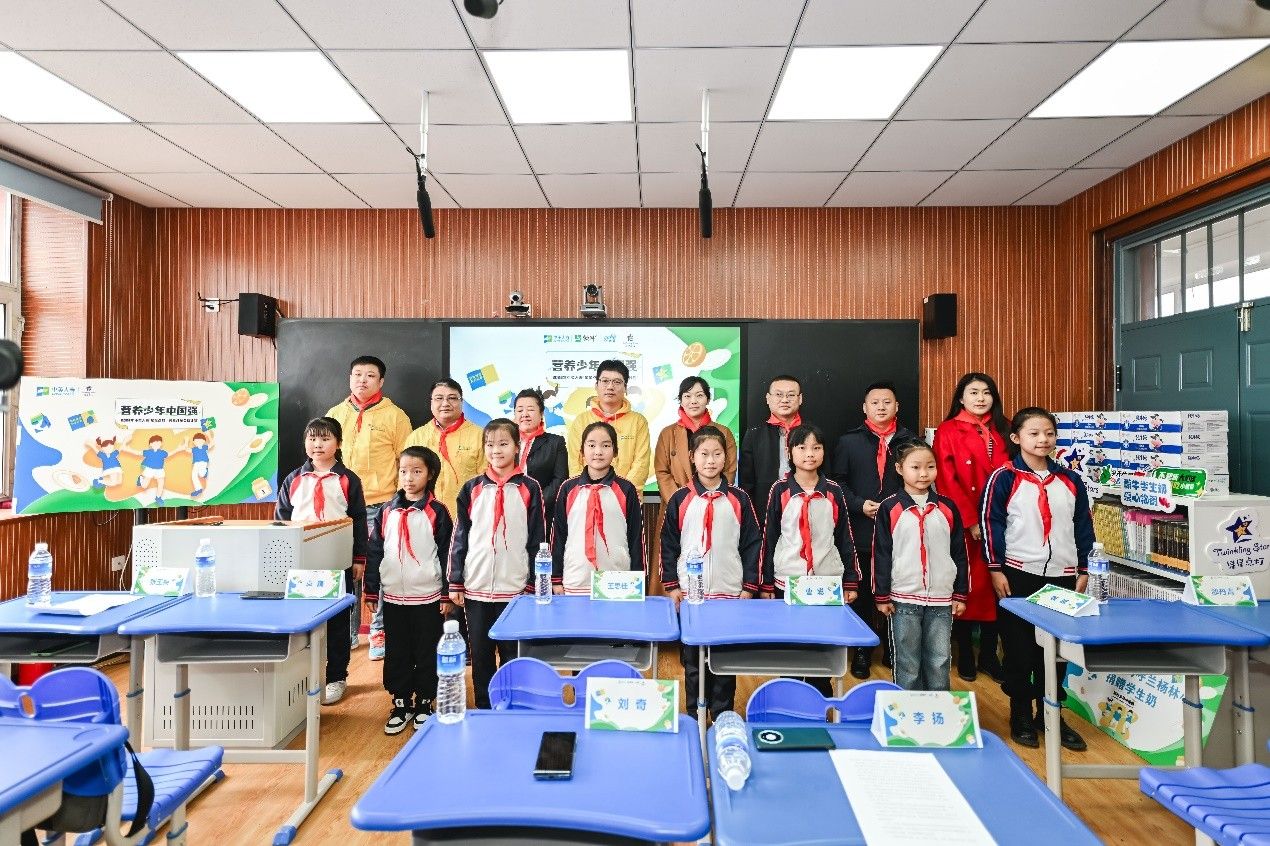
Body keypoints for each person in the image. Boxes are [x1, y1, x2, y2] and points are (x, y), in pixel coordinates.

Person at [984, 408, 1093, 752]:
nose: (1043, 440)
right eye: (1034, 433)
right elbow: (992, 523)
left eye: (1049, 433)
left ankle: (1051, 715)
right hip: (1018, 572)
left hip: (1062, 575)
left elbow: (1083, 526)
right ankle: (1020, 713)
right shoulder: (1004, 477)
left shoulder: (1071, 480)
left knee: (1057, 650)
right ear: (1016, 438)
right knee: (1019, 650)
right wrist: (995, 568)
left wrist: (1084, 568)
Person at [661, 425, 761, 720]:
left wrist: (749, 586)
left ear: (725, 458)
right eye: (704, 454)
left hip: (729, 591)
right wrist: (672, 585)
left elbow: (752, 543)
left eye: (717, 454)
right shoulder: (680, 498)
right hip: (691, 593)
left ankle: (722, 714)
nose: (711, 460)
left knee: (723, 660)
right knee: (693, 660)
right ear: (692, 457)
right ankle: (695, 712)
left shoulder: (739, 499)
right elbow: (668, 544)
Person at [447, 419, 545, 709]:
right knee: (480, 653)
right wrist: (456, 580)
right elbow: (460, 537)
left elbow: (537, 538)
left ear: (517, 447)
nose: (496, 450)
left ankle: (513, 705)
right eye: (490, 445)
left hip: (515, 588)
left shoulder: (530, 488)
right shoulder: (472, 488)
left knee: (513, 653)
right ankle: (485, 706)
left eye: (503, 444)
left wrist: (533, 583)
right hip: (476, 586)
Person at [759, 423, 859, 694]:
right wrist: (766, 583)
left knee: (821, 644)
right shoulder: (780, 490)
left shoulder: (834, 491)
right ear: (790, 452)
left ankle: (820, 697)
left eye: (816, 447)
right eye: (802, 448)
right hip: (788, 579)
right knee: (790, 644)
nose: (809, 454)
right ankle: (789, 694)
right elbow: (769, 537)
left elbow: (845, 538)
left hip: (826, 582)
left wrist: (850, 581)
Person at [326, 355, 413, 662]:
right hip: (341, 508)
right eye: (357, 374)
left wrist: (399, 503)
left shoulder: (395, 416)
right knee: (346, 570)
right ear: (350, 378)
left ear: (381, 381)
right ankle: (348, 634)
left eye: (370, 375)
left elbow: (407, 463)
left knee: (379, 570)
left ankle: (379, 630)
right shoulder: (335, 414)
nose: (362, 380)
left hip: (381, 504)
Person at [276, 416, 367, 706]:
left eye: (325, 439)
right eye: (312, 438)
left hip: (336, 562)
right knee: (301, 619)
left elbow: (359, 520)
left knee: (338, 623)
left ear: (338, 444)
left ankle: (336, 677)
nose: (318, 444)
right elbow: (281, 521)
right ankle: (302, 677)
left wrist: (358, 558)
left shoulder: (348, 479)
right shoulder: (293, 479)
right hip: (301, 565)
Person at [364, 446, 453, 734]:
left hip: (427, 597)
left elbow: (447, 554)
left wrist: (446, 593)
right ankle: (401, 702)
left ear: (430, 474)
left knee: (426, 650)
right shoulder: (386, 511)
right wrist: (371, 590)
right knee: (398, 651)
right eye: (403, 471)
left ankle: (425, 701)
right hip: (393, 597)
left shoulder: (437, 512)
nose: (409, 478)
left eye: (416, 471)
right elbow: (375, 551)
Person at [831, 381, 915, 678]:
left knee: (898, 587)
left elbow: (918, 481)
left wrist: (896, 507)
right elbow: (837, 482)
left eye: (887, 402)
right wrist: (857, 504)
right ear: (865, 407)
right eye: (875, 402)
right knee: (864, 593)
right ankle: (862, 651)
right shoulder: (849, 441)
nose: (881, 407)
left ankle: (893, 648)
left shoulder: (910, 441)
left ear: (897, 406)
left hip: (900, 528)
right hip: (861, 527)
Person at [871, 440, 968, 691]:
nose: (923, 473)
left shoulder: (947, 508)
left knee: (939, 660)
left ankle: (938, 709)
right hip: (903, 598)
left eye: (930, 466)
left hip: (941, 598)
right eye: (915, 467)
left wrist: (960, 593)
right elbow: (881, 554)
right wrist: (882, 595)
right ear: (899, 469)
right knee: (907, 662)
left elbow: (959, 553)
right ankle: (909, 710)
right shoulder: (890, 508)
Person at [932, 372, 1009, 683]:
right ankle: (965, 652)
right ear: (961, 398)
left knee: (997, 588)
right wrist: (971, 520)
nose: (980, 398)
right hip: (966, 523)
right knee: (965, 586)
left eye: (986, 392)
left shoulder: (1004, 428)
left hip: (1003, 520)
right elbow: (946, 478)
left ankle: (989, 655)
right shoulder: (948, 430)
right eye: (973, 392)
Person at [551, 421, 643, 595]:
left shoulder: (626, 489)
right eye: (591, 445)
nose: (598, 452)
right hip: (575, 580)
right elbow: (558, 536)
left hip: (617, 583)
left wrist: (638, 581)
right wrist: (555, 578)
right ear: (582, 451)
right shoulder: (568, 489)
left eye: (606, 445)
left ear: (615, 451)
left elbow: (636, 538)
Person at [565, 360, 652, 498]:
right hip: (586, 495)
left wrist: (624, 492)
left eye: (617, 382)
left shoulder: (638, 421)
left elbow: (641, 462)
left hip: (626, 496)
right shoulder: (581, 420)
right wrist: (586, 491)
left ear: (625, 387)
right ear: (596, 385)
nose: (610, 387)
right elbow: (574, 461)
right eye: (605, 381)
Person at [654, 376, 737, 502]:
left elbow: (729, 470)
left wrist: (713, 499)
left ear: (708, 399)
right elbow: (662, 472)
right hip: (678, 505)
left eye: (699, 395)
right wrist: (679, 502)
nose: (693, 401)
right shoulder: (667, 433)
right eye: (687, 396)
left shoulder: (724, 432)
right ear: (681, 400)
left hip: (714, 503)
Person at [739, 374, 803, 513]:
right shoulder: (754, 435)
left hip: (805, 507)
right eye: (779, 394)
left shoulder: (812, 434)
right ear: (768, 398)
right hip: (766, 511)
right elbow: (746, 483)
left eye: (791, 395)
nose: (784, 400)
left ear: (800, 399)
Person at [514, 388, 569, 519]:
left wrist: (536, 503)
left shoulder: (555, 442)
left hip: (542, 513)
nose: (525, 414)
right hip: (510, 509)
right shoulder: (507, 441)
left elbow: (560, 479)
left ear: (541, 413)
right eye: (520, 410)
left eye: (530, 409)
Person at [188, 431, 213, 497]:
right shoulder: (194, 449)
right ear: (194, 442)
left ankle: (205, 472)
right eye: (197, 441)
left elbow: (212, 444)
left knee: (201, 475)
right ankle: (198, 489)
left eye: (200, 441)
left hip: (203, 462)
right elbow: (187, 449)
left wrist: (209, 435)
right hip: (196, 463)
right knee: (193, 475)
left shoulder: (204, 447)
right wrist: (186, 442)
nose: (198, 442)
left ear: (204, 441)